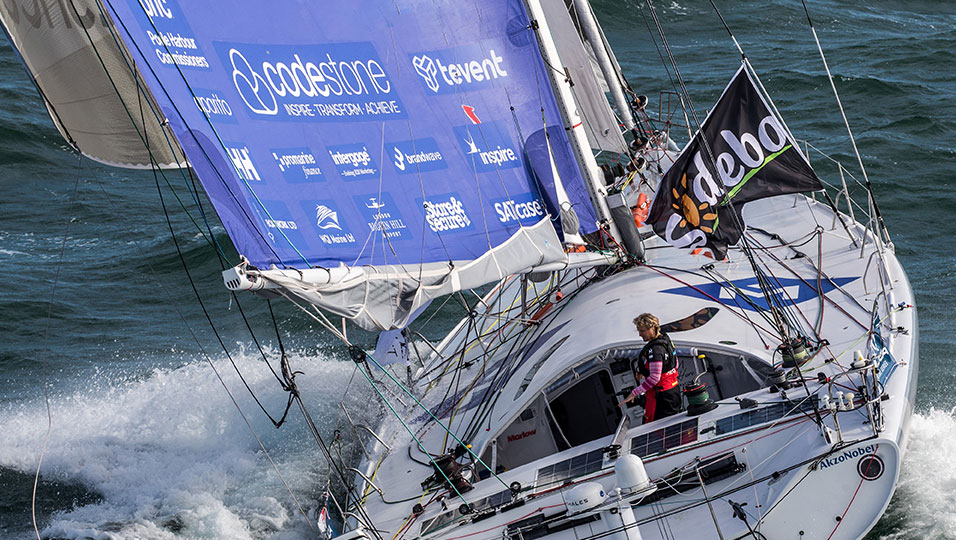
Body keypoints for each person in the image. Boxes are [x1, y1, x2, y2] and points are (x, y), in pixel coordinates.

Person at [617, 313, 681, 423]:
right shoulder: (665, 339)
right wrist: (642, 370)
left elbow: (654, 379)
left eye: (642, 331)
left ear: (651, 328)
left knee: (657, 427)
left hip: (663, 397)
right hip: (673, 391)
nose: (640, 334)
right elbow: (675, 364)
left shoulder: (655, 350)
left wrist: (634, 393)